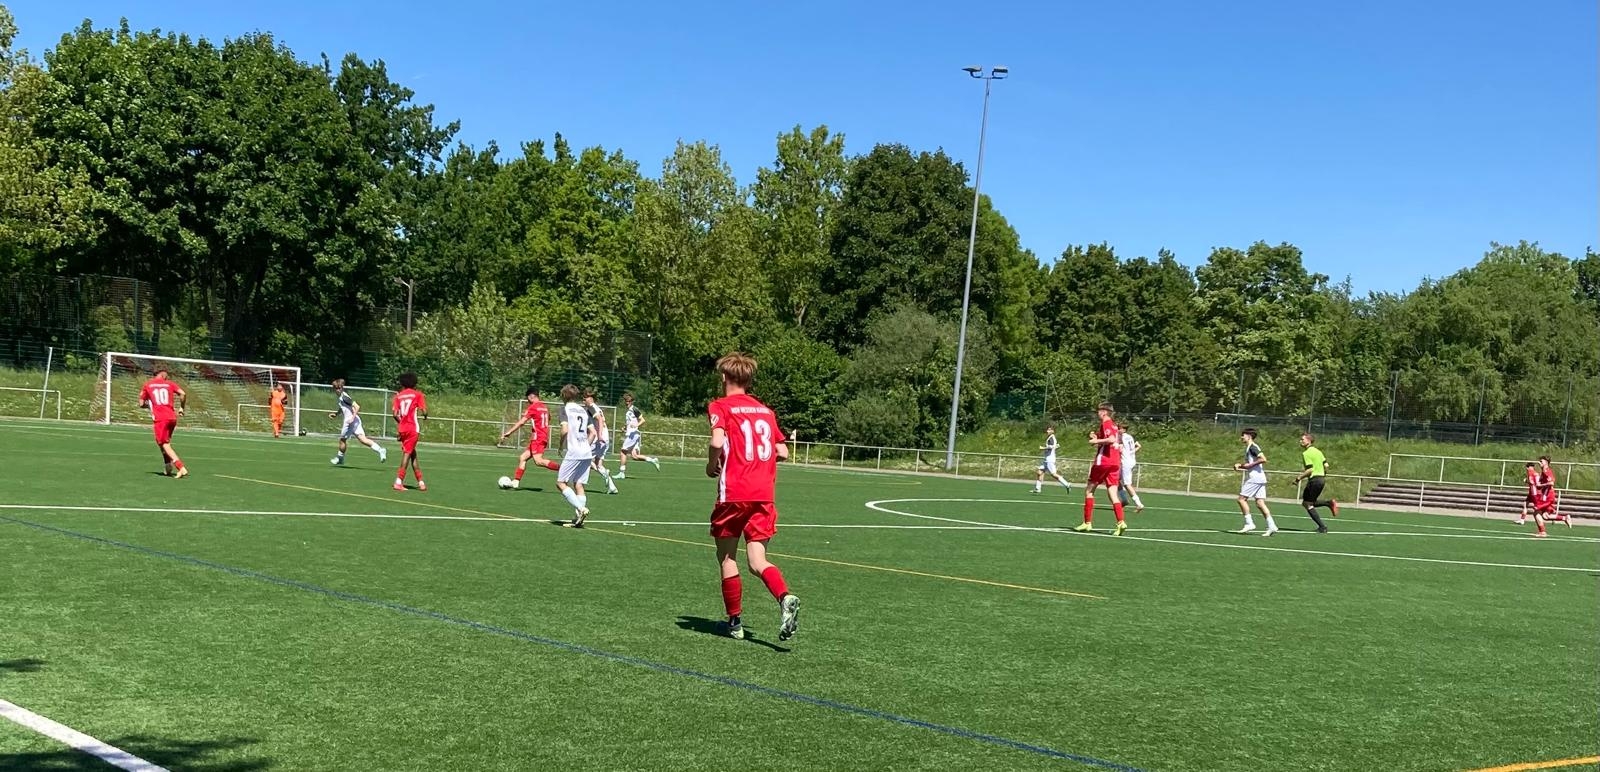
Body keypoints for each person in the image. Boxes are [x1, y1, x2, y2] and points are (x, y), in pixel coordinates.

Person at [707, 352, 800, 642]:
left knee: (727, 557)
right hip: (763, 495)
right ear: (748, 380)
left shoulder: (720, 406)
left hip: (734, 493)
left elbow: (717, 441)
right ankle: (784, 597)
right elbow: (782, 451)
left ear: (724, 376)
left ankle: (734, 623)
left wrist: (711, 464)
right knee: (757, 560)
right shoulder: (765, 411)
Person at [1073, 403, 1127, 535]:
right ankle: (1121, 522)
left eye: (1099, 410)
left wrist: (1095, 441)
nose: (1097, 413)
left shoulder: (1106, 423)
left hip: (1103, 461)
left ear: (1104, 411)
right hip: (1115, 462)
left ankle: (1087, 523)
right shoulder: (1114, 425)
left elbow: (1111, 439)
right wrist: (1096, 436)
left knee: (1089, 491)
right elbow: (1111, 439)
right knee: (1113, 493)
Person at [498, 387, 560, 489]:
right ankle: (516, 482)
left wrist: (509, 432)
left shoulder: (533, 407)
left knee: (538, 461)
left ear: (531, 396)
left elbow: (522, 422)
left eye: (527, 399)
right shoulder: (544, 407)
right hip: (542, 436)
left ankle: (563, 470)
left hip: (538, 438)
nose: (527, 401)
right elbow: (549, 418)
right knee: (523, 457)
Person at [139, 368, 189, 478]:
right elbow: (183, 393)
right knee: (163, 442)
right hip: (172, 418)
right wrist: (181, 408)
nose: (167, 377)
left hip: (160, 419)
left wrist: (151, 405)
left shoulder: (148, 385)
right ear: (162, 374)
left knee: (164, 444)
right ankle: (167, 465)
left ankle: (180, 467)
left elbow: (141, 403)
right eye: (166, 375)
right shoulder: (169, 384)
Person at [556, 384, 594, 526]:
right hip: (586, 451)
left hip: (574, 451)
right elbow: (593, 433)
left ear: (563, 396)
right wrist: (584, 446)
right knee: (578, 484)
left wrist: (561, 446)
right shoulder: (584, 410)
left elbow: (565, 430)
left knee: (561, 483)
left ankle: (581, 509)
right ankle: (578, 518)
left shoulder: (564, 409)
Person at [328, 379, 386, 466]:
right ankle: (380, 450)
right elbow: (343, 407)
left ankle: (340, 458)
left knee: (342, 440)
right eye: (336, 388)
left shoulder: (344, 397)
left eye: (339, 388)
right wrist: (336, 414)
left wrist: (352, 418)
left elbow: (357, 406)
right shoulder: (341, 397)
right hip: (355, 421)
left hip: (350, 421)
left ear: (342, 388)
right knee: (363, 440)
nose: (338, 390)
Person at [1234, 428, 1277, 535]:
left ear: (1249, 436)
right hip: (1260, 477)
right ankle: (1272, 525)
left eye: (1243, 435)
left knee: (1241, 499)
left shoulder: (1253, 447)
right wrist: (1241, 466)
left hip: (1255, 478)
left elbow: (1263, 459)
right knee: (1260, 503)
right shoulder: (1251, 447)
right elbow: (1251, 464)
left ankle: (1249, 523)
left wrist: (1249, 465)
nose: (1241, 437)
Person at [1293, 433, 1339, 533]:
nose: (1300, 441)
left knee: (1307, 504)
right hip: (1321, 479)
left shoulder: (1306, 453)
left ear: (1309, 441)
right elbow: (1326, 465)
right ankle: (1328, 503)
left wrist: (1298, 478)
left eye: (1302, 439)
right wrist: (1322, 474)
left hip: (1314, 480)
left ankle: (1322, 527)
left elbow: (1310, 470)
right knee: (1307, 503)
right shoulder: (1318, 452)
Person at [392, 373, 427, 491]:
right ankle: (398, 481)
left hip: (403, 429)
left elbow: (395, 414)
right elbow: (424, 411)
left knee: (413, 454)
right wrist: (425, 416)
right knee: (407, 453)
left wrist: (402, 422)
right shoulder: (418, 394)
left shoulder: (399, 396)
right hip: (413, 428)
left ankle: (421, 482)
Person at [616, 393, 660, 478]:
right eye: (626, 401)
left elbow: (642, 420)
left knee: (623, 452)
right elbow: (630, 422)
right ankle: (653, 460)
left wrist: (636, 425)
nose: (627, 402)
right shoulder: (628, 411)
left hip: (633, 434)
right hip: (632, 434)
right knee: (634, 456)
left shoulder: (634, 409)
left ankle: (621, 473)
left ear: (632, 401)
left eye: (629, 401)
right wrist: (625, 427)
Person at [584, 390, 619, 495]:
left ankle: (582, 482)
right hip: (605, 438)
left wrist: (599, 435)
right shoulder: (597, 408)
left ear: (591, 399)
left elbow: (599, 419)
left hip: (599, 439)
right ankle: (612, 486)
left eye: (585, 397)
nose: (583, 400)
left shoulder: (591, 407)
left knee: (584, 457)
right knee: (598, 465)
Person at [1531, 455, 1571, 537]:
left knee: (1536, 512)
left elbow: (1551, 483)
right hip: (1547, 495)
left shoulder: (1547, 471)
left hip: (1547, 495)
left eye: (1541, 461)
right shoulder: (1544, 471)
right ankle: (1564, 518)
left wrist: (1541, 485)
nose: (1539, 463)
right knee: (1546, 516)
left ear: (1546, 462)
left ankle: (1542, 532)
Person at [1031, 424, 1072, 494]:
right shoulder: (1050, 437)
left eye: (1049, 430)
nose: (1047, 431)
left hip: (1050, 459)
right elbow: (1056, 446)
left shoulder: (1051, 438)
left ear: (1053, 431)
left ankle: (1067, 484)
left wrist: (1043, 448)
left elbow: (1051, 446)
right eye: (1047, 430)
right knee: (1039, 472)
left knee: (1053, 474)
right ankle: (1038, 489)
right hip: (1046, 459)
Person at [1118, 423, 1145, 513]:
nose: (1118, 430)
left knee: (1127, 484)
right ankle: (1124, 499)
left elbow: (1119, 449)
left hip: (1125, 462)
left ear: (1123, 429)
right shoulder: (1130, 437)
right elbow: (1136, 447)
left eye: (1119, 428)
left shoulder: (1121, 437)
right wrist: (1134, 450)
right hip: (1131, 461)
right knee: (1117, 480)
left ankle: (1139, 504)